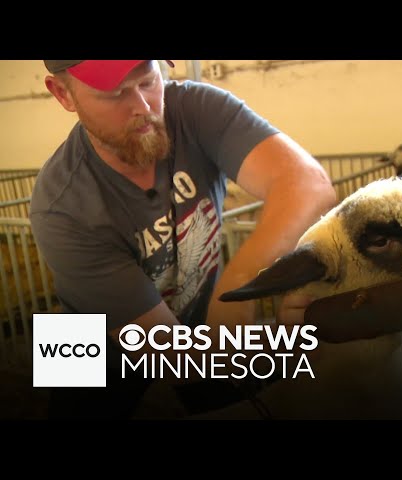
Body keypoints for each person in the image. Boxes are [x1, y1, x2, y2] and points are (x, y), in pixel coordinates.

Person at [31, 60, 337, 419]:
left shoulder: (195, 109)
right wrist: (278, 340)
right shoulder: (58, 206)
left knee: (229, 397)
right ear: (63, 94)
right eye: (114, 94)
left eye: (148, 80)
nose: (143, 107)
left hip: (198, 320)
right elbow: (173, 358)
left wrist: (241, 285)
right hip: (88, 344)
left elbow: (310, 184)